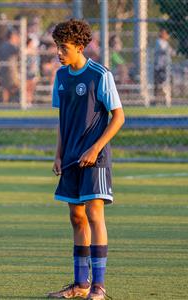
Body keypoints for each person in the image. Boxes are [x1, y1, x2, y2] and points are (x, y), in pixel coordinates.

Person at [47, 19, 125, 300]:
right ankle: (80, 285)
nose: (58, 52)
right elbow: (61, 119)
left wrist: (95, 149)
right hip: (70, 158)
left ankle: (99, 287)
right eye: (57, 46)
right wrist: (58, 153)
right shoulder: (61, 76)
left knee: (94, 214)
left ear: (80, 47)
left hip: (95, 158)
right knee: (76, 217)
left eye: (64, 47)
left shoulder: (100, 75)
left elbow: (119, 117)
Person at [0, 29, 20, 103]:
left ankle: (6, 102)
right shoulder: (10, 45)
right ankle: (7, 102)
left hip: (4, 68)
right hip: (10, 69)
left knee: (7, 87)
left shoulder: (3, 45)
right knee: (11, 86)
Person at [154, 28, 173, 104]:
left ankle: (166, 98)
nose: (167, 35)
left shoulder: (166, 43)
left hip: (166, 66)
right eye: (165, 33)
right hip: (160, 66)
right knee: (160, 83)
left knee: (167, 82)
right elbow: (164, 50)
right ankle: (158, 99)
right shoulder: (158, 41)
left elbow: (171, 51)